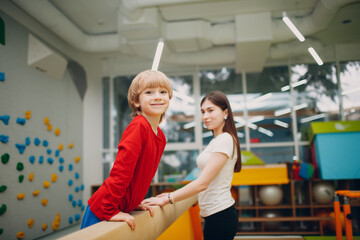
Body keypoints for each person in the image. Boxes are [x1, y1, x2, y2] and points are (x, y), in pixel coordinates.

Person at [142, 90, 241, 240]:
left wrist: (169, 198)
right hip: (213, 215)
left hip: (221, 215)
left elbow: (203, 183)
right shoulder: (215, 141)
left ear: (225, 112)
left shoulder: (225, 139)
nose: (205, 116)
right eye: (202, 112)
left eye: (210, 110)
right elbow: (203, 180)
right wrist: (170, 195)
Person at [81, 69, 173, 230]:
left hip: (123, 206)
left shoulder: (161, 137)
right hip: (103, 209)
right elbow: (121, 171)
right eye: (149, 92)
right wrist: (109, 210)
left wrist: (134, 202)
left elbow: (143, 175)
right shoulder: (139, 126)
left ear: (169, 97)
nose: (158, 96)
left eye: (163, 91)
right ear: (137, 101)